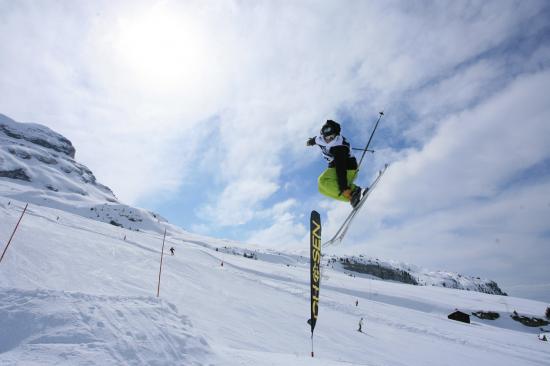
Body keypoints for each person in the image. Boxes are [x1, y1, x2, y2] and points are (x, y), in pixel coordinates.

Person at [307, 120, 363, 208]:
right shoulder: (320, 139)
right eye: (327, 137)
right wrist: (310, 142)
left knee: (323, 180)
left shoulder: (339, 147)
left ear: (336, 135)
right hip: (334, 167)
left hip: (348, 169)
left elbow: (341, 168)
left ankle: (353, 191)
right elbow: (315, 140)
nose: (329, 139)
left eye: (332, 137)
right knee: (322, 189)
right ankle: (351, 197)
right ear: (322, 134)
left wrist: (344, 187)